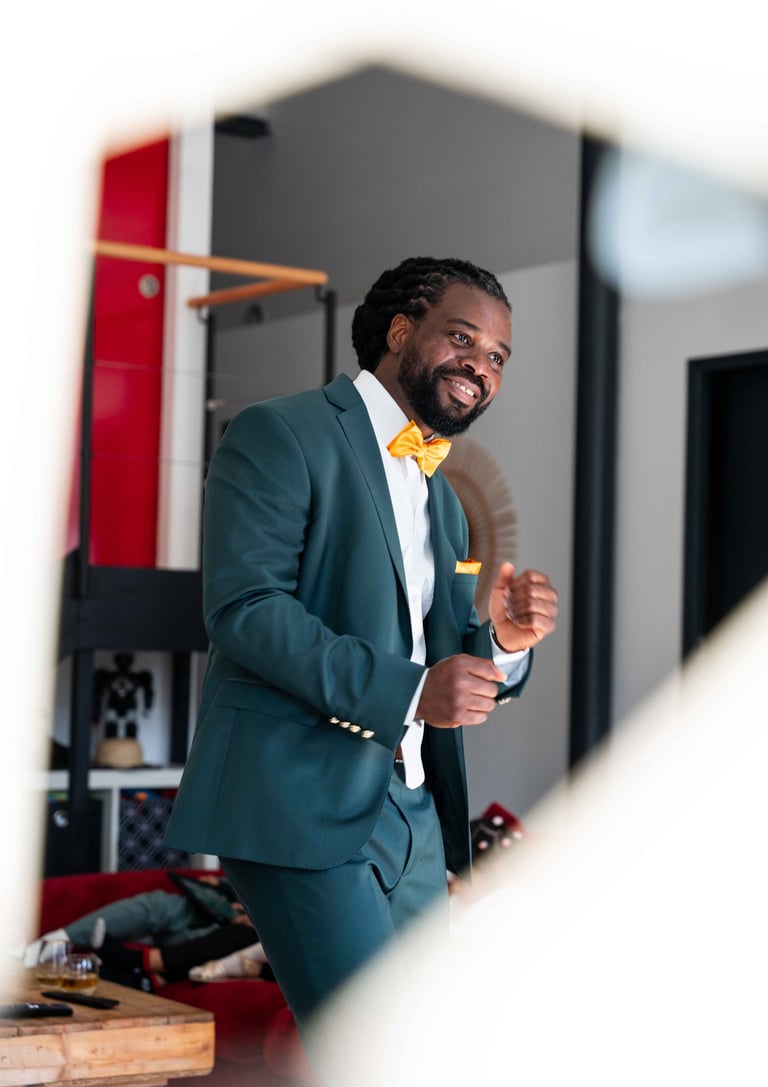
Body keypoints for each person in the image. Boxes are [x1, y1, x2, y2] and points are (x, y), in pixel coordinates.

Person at [164, 256, 558, 1036]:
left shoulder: (443, 501)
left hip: (415, 810)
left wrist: (505, 644)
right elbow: (245, 608)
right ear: (401, 330)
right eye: (463, 339)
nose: (481, 367)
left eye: (497, 357)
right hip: (300, 800)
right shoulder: (280, 432)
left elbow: (445, 652)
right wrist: (410, 690)